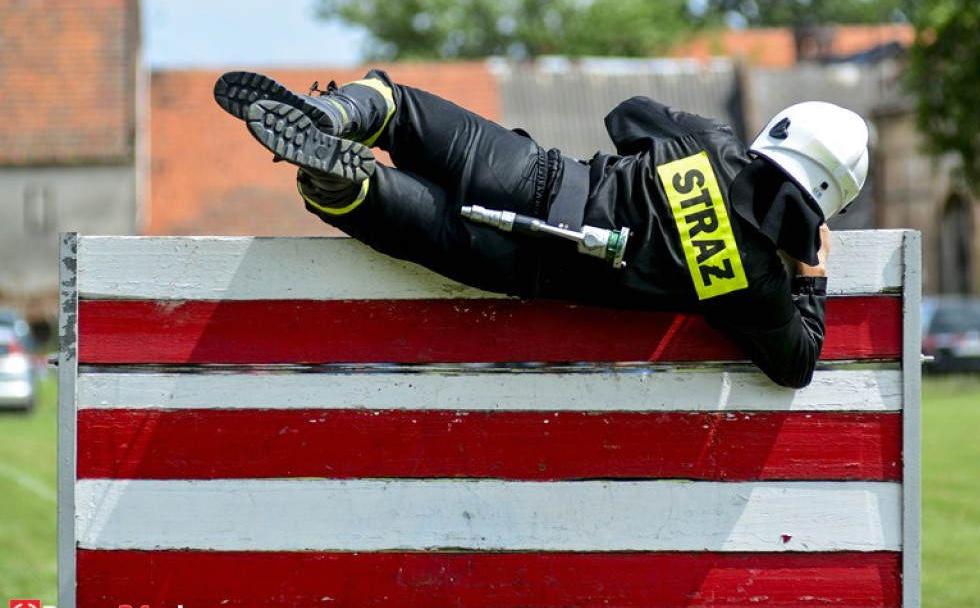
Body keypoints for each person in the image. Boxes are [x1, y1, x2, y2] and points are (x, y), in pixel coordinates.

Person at [213, 69, 869, 388]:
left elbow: (625, 114)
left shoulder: (709, 141)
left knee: (397, 106)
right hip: (516, 264)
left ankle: (332, 115)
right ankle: (339, 182)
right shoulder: (750, 285)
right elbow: (796, 365)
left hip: (529, 176)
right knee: (364, 199)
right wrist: (808, 269)